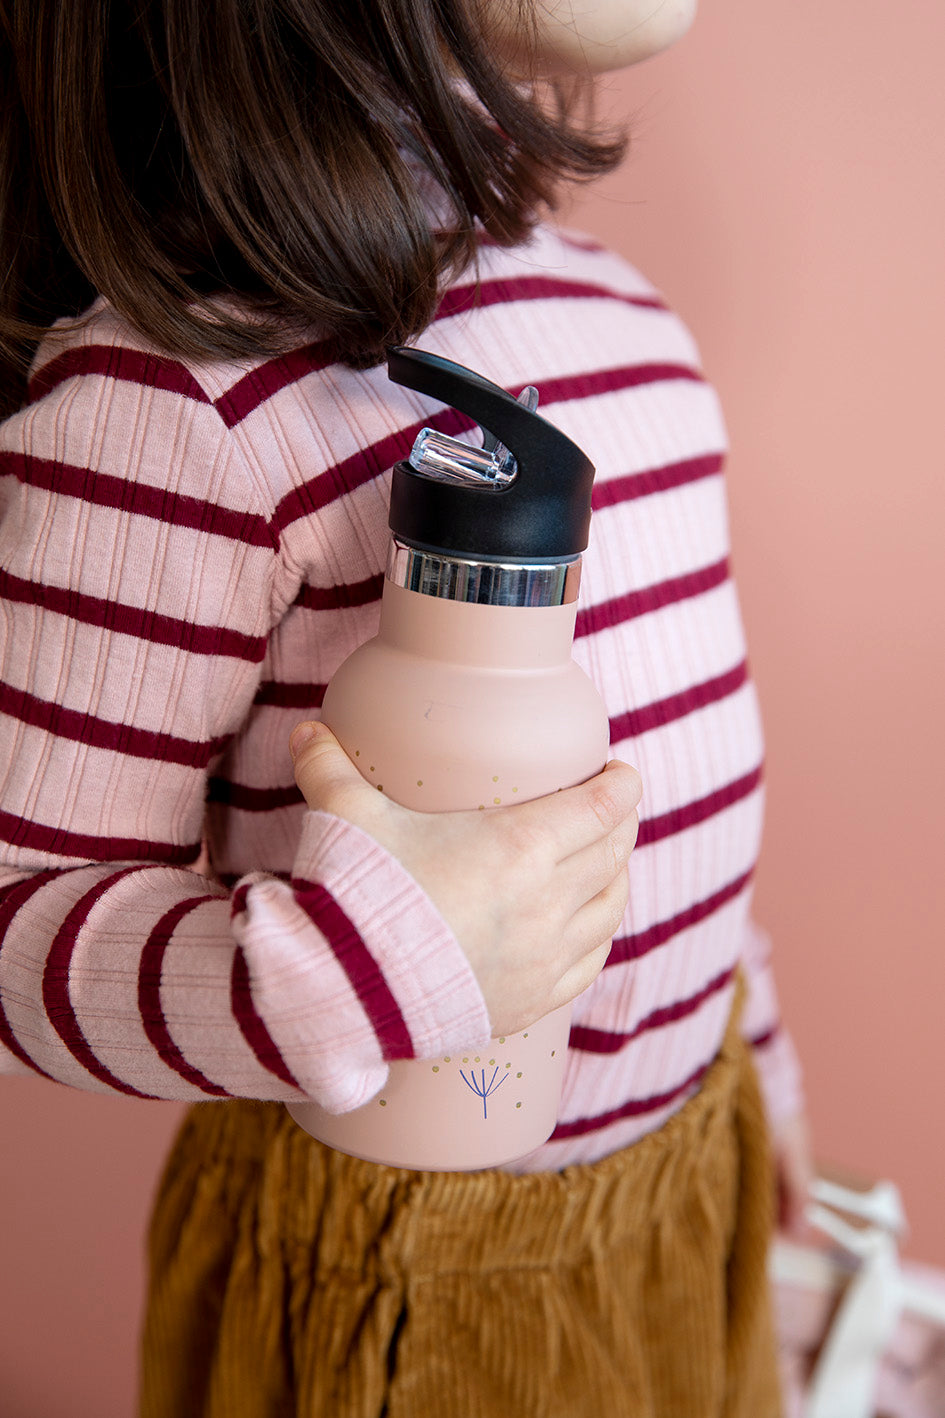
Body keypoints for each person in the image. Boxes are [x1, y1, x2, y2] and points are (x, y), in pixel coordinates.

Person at [0, 0, 811, 1413]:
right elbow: (21, 913)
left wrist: (755, 1070)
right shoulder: (175, 395)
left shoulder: (626, 320)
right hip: (401, 1266)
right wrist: (358, 963)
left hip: (695, 1187)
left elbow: (671, 803)